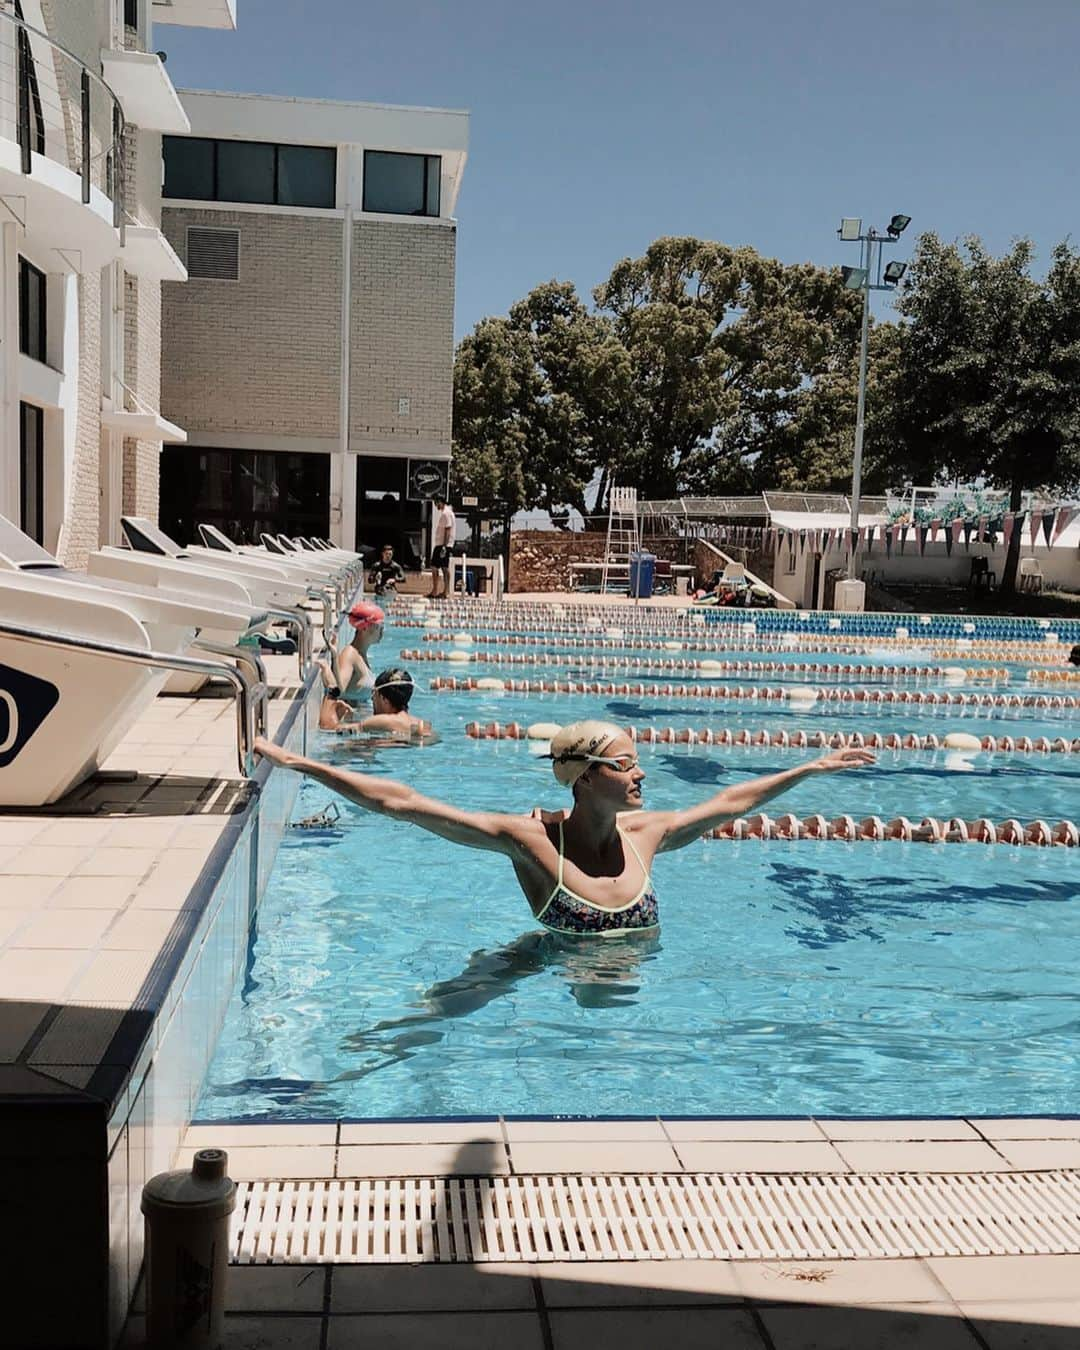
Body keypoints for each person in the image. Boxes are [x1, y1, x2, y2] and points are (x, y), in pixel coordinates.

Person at [254, 719, 873, 936]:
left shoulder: (647, 834)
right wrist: (299, 762)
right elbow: (404, 802)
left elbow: (734, 802)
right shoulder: (528, 843)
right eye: (626, 764)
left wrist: (812, 767)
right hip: (552, 976)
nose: (641, 775)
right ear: (584, 777)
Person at [319, 666, 433, 739]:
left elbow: (328, 728)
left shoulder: (384, 721)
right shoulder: (420, 724)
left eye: (374, 694)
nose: (372, 699)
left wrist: (331, 689)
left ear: (384, 699)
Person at [317, 601, 384, 701]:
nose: (382, 631)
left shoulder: (360, 654)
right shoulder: (349, 654)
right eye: (378, 626)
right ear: (365, 628)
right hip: (350, 716)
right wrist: (334, 658)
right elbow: (339, 691)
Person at [427, 494, 456, 599]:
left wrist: (444, 546)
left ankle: (443, 592)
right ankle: (442, 591)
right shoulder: (447, 513)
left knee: (440, 567)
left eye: (436, 503)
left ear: (440, 501)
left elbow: (448, 530)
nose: (435, 505)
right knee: (440, 567)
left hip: (443, 545)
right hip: (442, 545)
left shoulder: (446, 513)